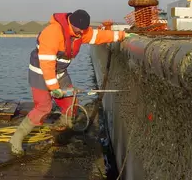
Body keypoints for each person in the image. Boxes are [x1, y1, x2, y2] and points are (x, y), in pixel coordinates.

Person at [10, 9, 130, 155]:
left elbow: (99, 36)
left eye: (83, 30)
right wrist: (54, 88)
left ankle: (61, 131)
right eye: (77, 30)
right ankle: (17, 138)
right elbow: (47, 65)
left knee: (70, 104)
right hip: (40, 72)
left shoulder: (81, 33)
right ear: (69, 23)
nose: (80, 33)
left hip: (60, 73)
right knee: (43, 108)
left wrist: (123, 35)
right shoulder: (52, 33)